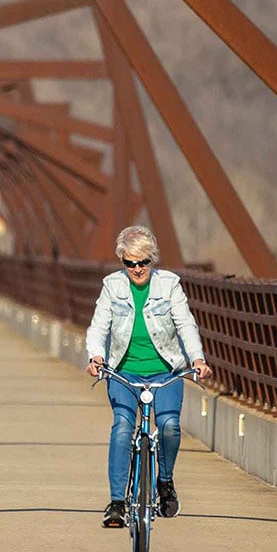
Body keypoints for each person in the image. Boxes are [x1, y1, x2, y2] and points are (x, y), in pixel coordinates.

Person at [85, 225, 212, 528]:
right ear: (122, 262)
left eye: (143, 262)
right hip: (123, 371)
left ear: (152, 260)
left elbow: (185, 325)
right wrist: (96, 357)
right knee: (122, 427)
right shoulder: (112, 286)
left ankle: (164, 482)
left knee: (169, 426)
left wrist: (197, 360)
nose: (137, 269)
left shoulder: (169, 286)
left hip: (165, 370)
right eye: (130, 263)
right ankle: (116, 502)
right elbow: (99, 325)